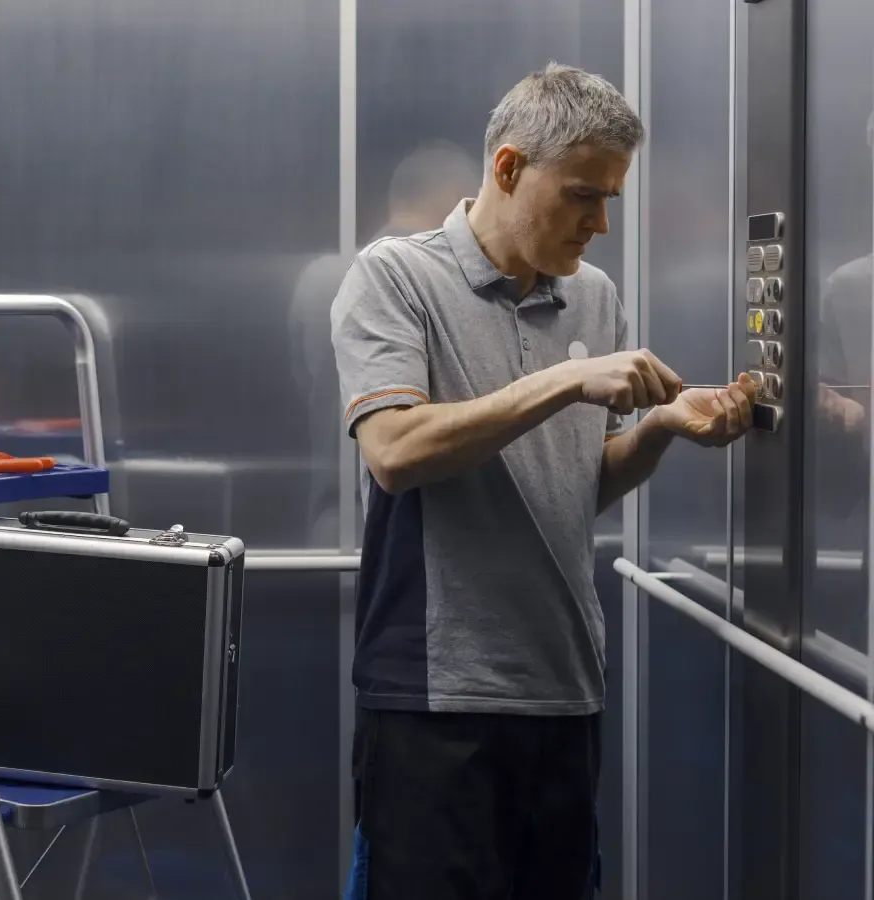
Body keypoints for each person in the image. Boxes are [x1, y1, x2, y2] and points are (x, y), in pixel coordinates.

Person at [332, 62, 757, 899]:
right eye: (581, 196)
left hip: (563, 690)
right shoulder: (394, 277)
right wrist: (563, 382)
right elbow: (393, 451)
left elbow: (573, 485)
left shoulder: (592, 299)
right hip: (435, 698)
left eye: (610, 200)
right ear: (508, 168)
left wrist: (663, 429)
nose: (599, 223)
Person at [288, 141, 482, 547]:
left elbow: (308, 384)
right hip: (417, 529)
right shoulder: (445, 286)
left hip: (330, 517)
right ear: (456, 200)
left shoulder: (319, 279)